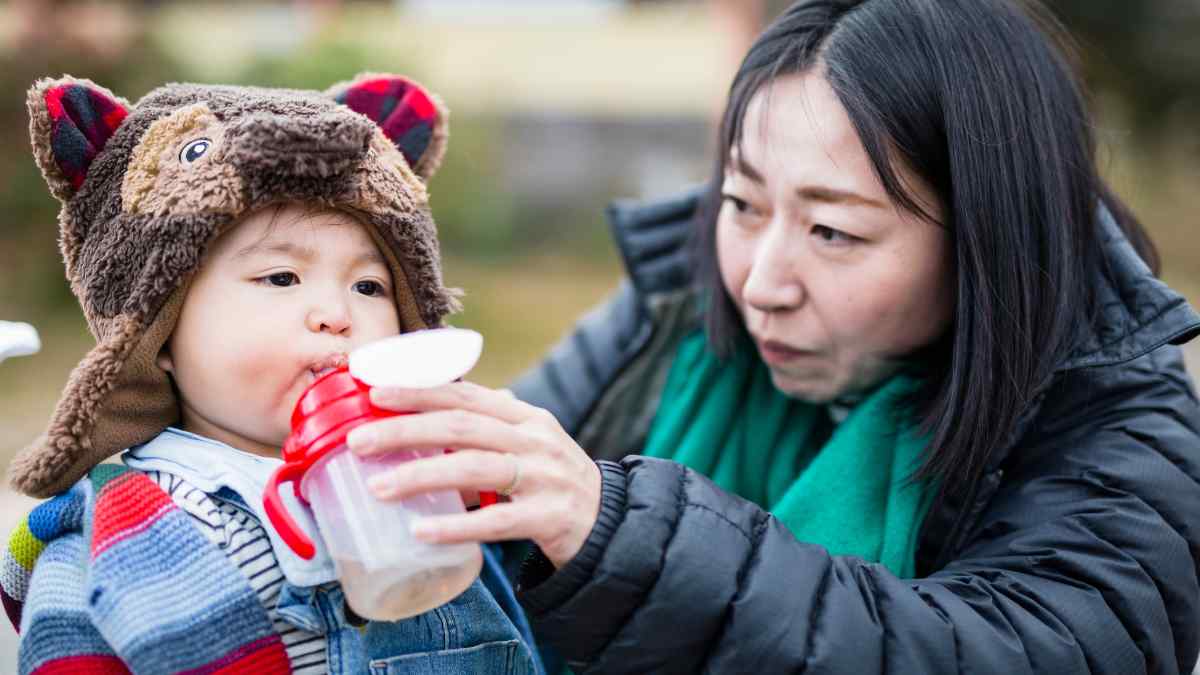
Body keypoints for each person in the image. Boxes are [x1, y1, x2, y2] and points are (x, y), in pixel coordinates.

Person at [342, 1, 1200, 673]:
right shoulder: (682, 298)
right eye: (744, 204)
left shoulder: (1119, 425)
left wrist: (629, 537)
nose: (760, 282)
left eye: (834, 231)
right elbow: (497, 484)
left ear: (985, 243)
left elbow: (1011, 650)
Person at [1, 73, 541, 674]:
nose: (337, 316)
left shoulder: (439, 482)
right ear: (160, 330)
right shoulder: (111, 542)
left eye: (369, 286)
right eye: (281, 278)